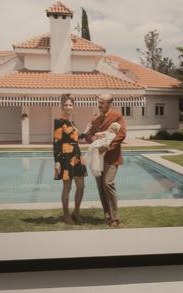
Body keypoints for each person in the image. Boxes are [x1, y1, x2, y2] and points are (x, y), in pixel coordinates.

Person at [82, 93, 127, 227]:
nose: (99, 105)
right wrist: (92, 140)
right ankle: (107, 215)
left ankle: (115, 218)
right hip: (97, 158)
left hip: (112, 157)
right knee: (101, 187)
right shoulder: (95, 119)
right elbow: (88, 135)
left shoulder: (117, 117)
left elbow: (121, 134)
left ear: (109, 103)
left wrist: (108, 147)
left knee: (107, 183)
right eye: (99, 102)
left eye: (101, 102)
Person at [52, 94, 86, 225]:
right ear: (62, 106)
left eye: (70, 105)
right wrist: (56, 161)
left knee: (81, 186)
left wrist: (88, 132)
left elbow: (75, 138)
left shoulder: (72, 122)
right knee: (67, 187)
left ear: (73, 106)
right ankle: (66, 214)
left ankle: (76, 212)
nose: (68, 107)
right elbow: (56, 142)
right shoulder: (59, 121)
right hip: (66, 157)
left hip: (77, 156)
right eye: (65, 105)